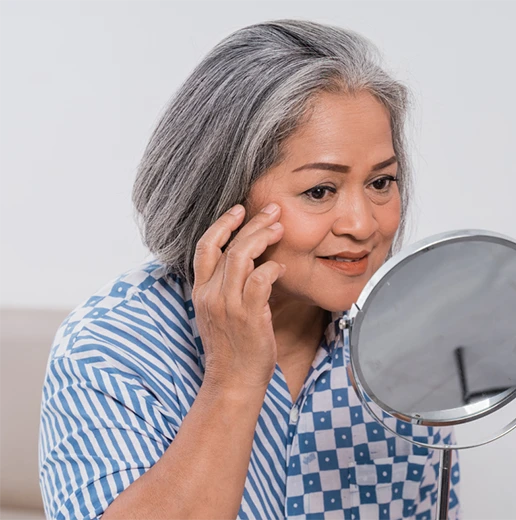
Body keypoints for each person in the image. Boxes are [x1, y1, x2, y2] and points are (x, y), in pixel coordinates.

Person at [39, 19, 461, 519]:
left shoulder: (407, 342)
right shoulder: (106, 351)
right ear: (221, 196)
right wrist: (233, 381)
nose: (362, 224)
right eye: (320, 191)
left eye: (381, 182)